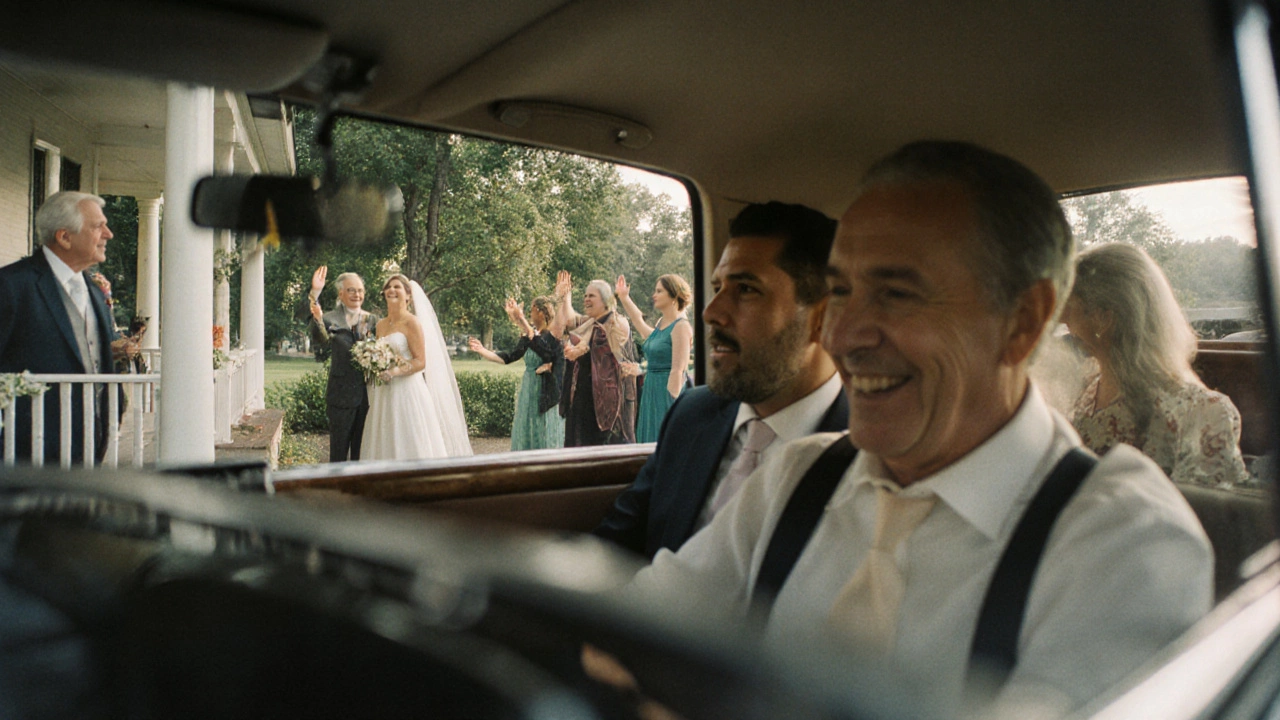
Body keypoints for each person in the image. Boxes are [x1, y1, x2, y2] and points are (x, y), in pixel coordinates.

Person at [627, 142, 1212, 716]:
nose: (843, 335)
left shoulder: (1123, 543)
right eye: (841, 293)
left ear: (1023, 322)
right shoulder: (794, 477)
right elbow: (627, 637)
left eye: (897, 294)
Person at [593, 202, 848, 560]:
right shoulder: (692, 415)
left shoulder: (873, 454)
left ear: (822, 318)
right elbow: (614, 545)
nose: (711, 312)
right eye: (717, 288)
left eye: (746, 289)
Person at [1064, 242, 1249, 485]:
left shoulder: (1204, 413)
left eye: (1070, 310)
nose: (1065, 324)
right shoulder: (1082, 391)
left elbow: (1206, 516)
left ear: (1103, 318)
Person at [0, 191, 121, 464]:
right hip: (23, 460)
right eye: (97, 226)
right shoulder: (10, 286)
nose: (108, 234)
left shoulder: (94, 291)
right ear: (64, 237)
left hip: (89, 452)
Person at [360, 274, 472, 460]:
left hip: (407, 391)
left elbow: (420, 361)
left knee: (409, 438)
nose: (392, 290)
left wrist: (394, 372)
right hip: (385, 393)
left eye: (397, 287)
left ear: (408, 296)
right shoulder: (380, 325)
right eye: (388, 287)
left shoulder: (411, 322)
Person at [302, 266, 381, 462]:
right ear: (341, 293)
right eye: (351, 290)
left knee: (362, 452)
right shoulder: (329, 318)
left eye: (360, 290)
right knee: (338, 451)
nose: (357, 294)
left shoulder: (372, 320)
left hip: (369, 395)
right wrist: (315, 294)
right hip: (341, 395)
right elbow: (320, 340)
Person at [468, 296, 566, 450]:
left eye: (532, 310)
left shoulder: (552, 338)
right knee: (527, 425)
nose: (529, 314)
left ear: (540, 312)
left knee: (543, 428)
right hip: (528, 388)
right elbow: (508, 357)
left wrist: (520, 318)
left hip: (544, 391)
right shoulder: (528, 337)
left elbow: (544, 350)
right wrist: (482, 350)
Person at [555, 273, 639, 446]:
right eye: (585, 295)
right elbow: (570, 320)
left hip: (610, 405)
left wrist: (582, 347)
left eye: (591, 295)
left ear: (606, 299)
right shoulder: (588, 323)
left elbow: (604, 336)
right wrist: (565, 295)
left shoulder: (618, 322)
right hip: (584, 398)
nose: (586, 299)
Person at [615, 273, 693, 443]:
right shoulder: (661, 324)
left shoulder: (681, 326)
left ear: (674, 296)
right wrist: (624, 298)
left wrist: (670, 405)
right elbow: (642, 328)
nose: (654, 295)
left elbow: (679, 369)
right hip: (651, 390)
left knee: (663, 442)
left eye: (659, 291)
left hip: (666, 395)